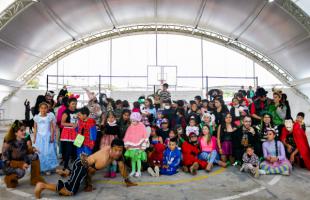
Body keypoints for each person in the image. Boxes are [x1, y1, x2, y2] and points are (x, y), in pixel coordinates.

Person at [34, 139, 137, 199]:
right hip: (81, 165)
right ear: (111, 148)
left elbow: (122, 166)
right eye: (116, 150)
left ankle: (67, 172)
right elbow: (88, 170)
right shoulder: (103, 159)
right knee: (70, 191)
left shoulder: (112, 151)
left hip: (84, 162)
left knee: (85, 174)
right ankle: (42, 185)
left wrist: (127, 180)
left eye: (120, 150)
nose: (118, 153)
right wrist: (87, 183)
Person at [2, 120, 45, 188]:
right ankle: (9, 178)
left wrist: (32, 149)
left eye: (25, 129)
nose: (24, 132)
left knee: (35, 156)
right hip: (10, 165)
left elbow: (25, 151)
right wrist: (20, 164)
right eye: (22, 130)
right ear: (15, 132)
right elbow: (5, 160)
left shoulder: (24, 139)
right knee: (21, 172)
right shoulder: (8, 142)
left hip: (21, 159)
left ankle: (35, 179)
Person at [33, 102, 58, 175]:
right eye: (41, 108)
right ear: (39, 109)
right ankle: (40, 168)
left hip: (47, 137)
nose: (43, 110)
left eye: (45, 108)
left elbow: (51, 127)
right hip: (39, 137)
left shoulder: (49, 117)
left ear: (47, 109)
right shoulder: (36, 118)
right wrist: (34, 138)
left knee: (48, 152)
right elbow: (35, 128)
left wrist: (52, 136)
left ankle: (47, 168)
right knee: (40, 153)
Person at [124, 112, 149, 177]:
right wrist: (126, 144)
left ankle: (138, 171)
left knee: (138, 159)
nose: (133, 122)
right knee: (132, 159)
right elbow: (127, 135)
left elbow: (144, 136)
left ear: (138, 120)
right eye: (132, 120)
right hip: (132, 146)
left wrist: (143, 145)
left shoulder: (142, 126)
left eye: (134, 120)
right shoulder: (130, 126)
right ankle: (133, 170)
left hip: (139, 146)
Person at [60, 96, 78, 172]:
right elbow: (62, 123)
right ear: (69, 103)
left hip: (77, 132)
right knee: (68, 150)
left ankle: (77, 165)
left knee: (76, 149)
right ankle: (65, 166)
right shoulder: (66, 112)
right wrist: (71, 124)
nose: (74, 105)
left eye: (75, 104)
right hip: (68, 133)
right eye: (73, 103)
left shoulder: (78, 111)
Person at [101, 111, 120, 178]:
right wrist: (103, 123)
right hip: (106, 142)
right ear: (107, 118)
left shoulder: (116, 126)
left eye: (112, 117)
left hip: (114, 142)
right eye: (109, 117)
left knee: (114, 159)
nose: (111, 119)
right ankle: (108, 172)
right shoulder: (106, 125)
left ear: (115, 118)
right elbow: (102, 130)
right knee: (108, 158)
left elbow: (118, 134)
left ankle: (113, 172)